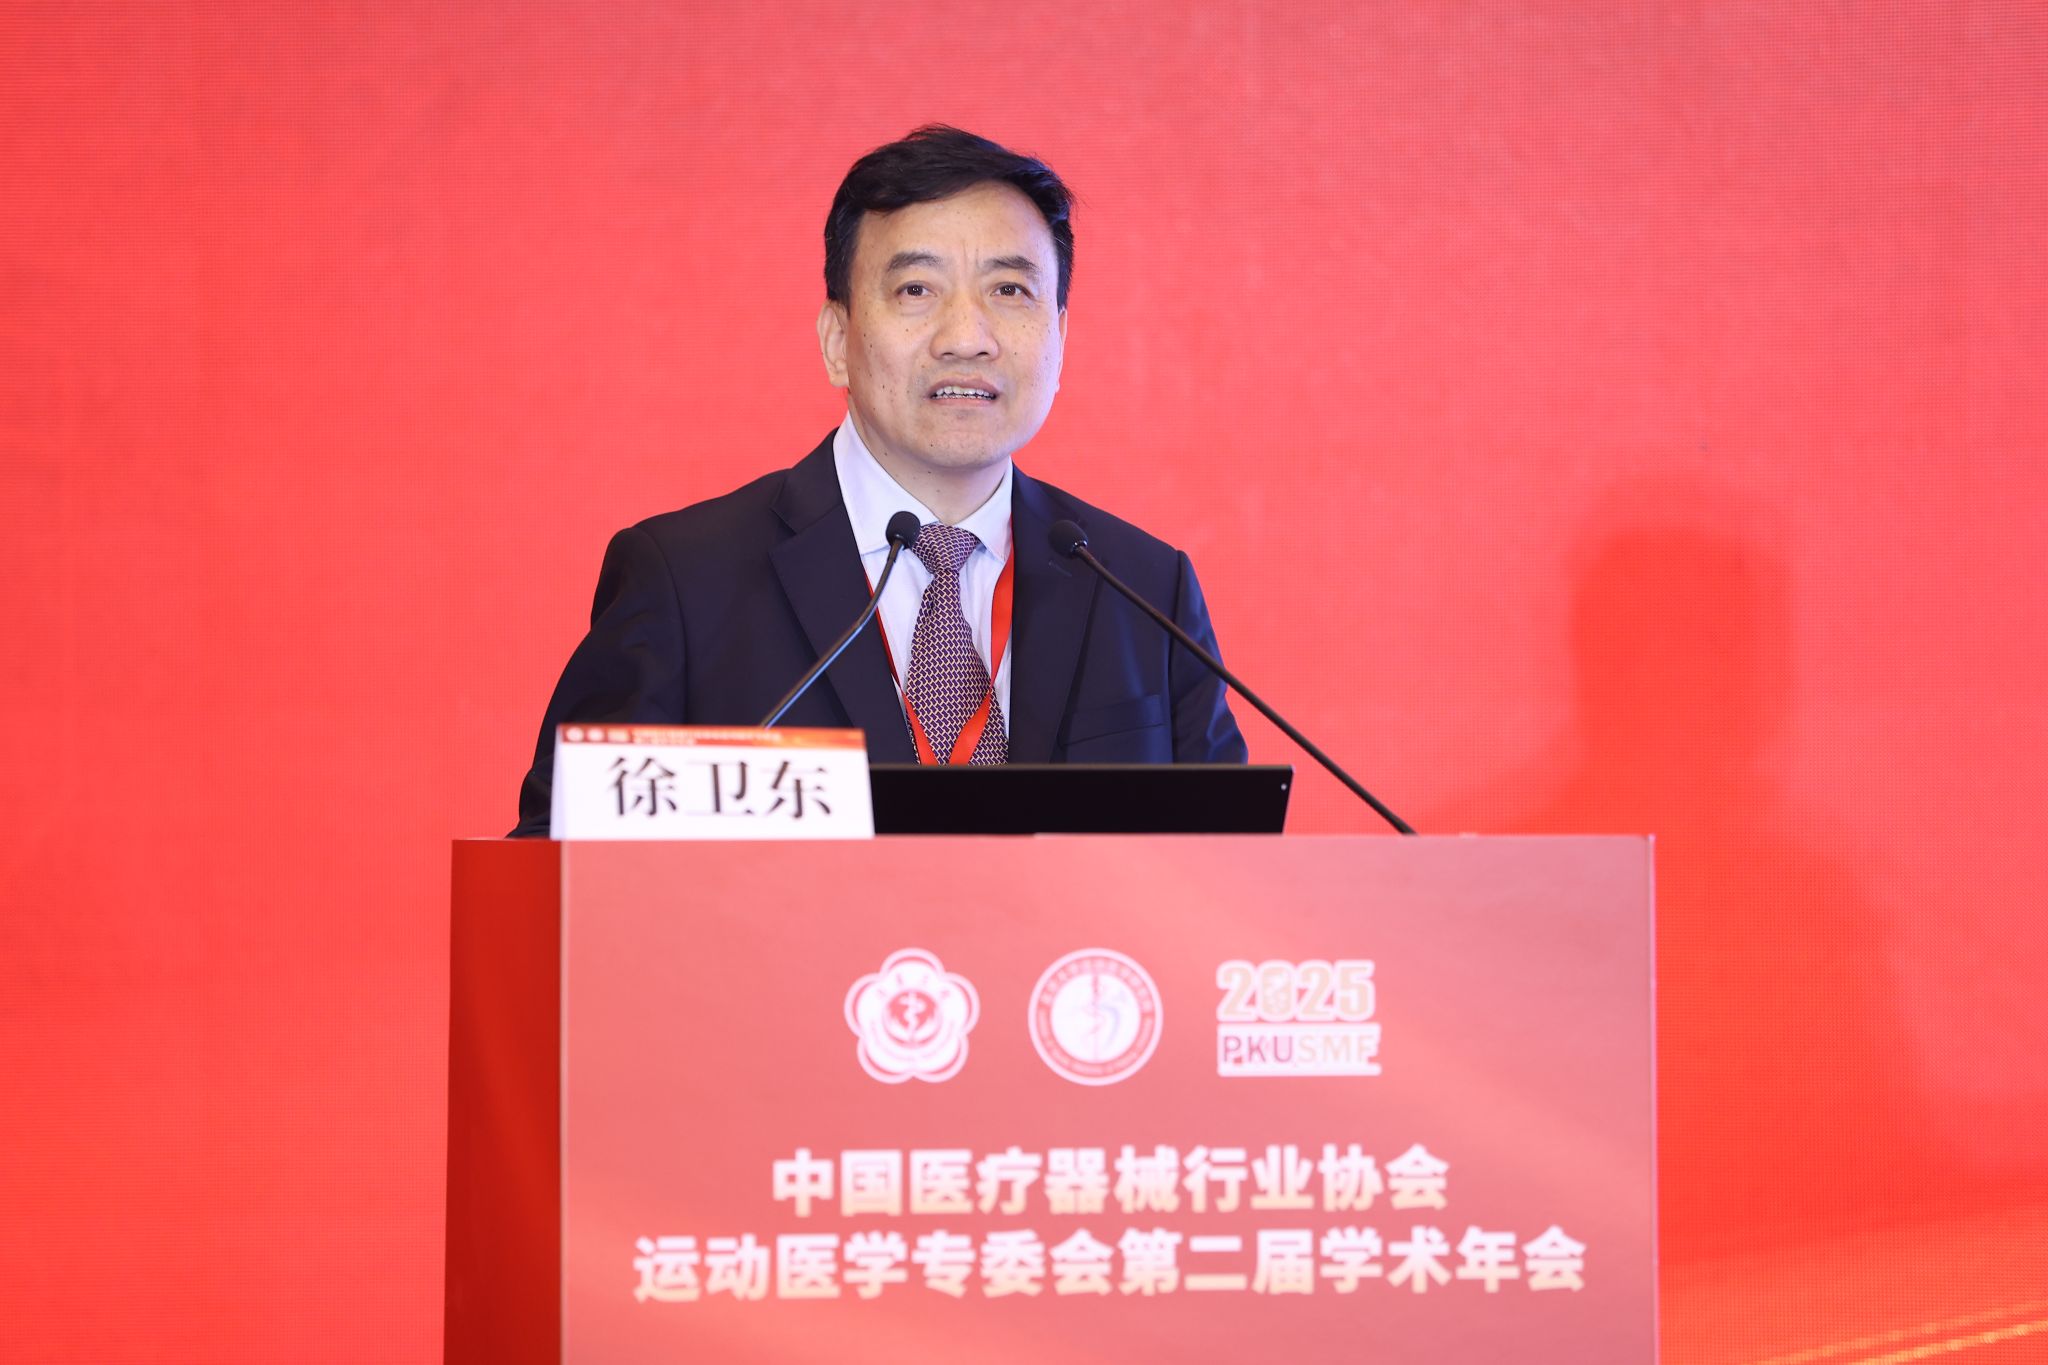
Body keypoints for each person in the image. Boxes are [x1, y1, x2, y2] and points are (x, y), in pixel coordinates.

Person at [512, 125, 1245, 835]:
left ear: (1060, 338)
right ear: (837, 341)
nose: (967, 338)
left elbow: (1229, 877)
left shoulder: (1146, 592)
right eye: (917, 289)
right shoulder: (687, 583)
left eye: (1009, 291)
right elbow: (553, 868)